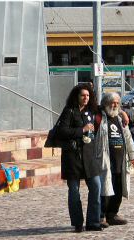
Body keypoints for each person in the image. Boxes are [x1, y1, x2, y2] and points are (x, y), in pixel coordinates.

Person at [57, 83, 103, 232]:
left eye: (88, 95)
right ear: (76, 96)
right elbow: (62, 131)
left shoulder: (91, 112)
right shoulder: (69, 111)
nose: (86, 98)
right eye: (83, 95)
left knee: (96, 186)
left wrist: (122, 113)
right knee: (74, 191)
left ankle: (93, 222)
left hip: (89, 157)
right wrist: (81, 130)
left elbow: (108, 110)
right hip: (73, 157)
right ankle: (77, 222)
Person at [95, 92, 134, 227]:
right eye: (112, 102)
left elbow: (128, 138)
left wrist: (133, 156)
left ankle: (113, 214)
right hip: (105, 159)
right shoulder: (99, 118)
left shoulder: (119, 119)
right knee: (105, 189)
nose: (114, 105)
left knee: (118, 188)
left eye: (117, 103)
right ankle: (101, 215)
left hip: (120, 160)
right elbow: (95, 107)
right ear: (105, 103)